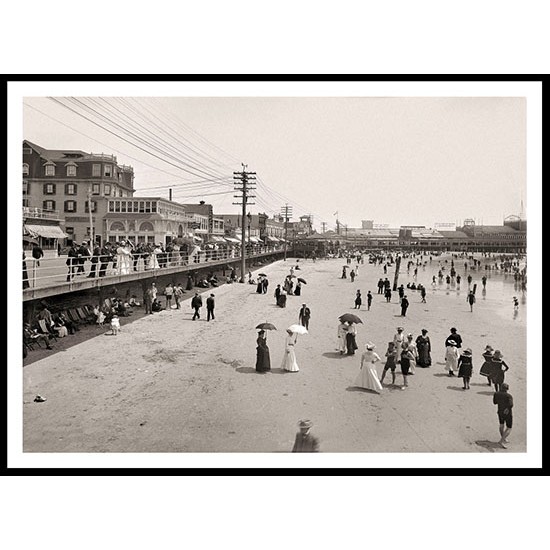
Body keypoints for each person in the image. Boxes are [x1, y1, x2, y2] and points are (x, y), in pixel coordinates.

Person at [493, 383, 513, 448]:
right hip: (507, 413)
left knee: (501, 425)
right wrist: (507, 409)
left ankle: (503, 438)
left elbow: (495, 402)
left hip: (500, 411)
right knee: (509, 428)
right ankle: (501, 441)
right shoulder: (509, 396)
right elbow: (511, 405)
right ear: (507, 389)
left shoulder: (496, 394)